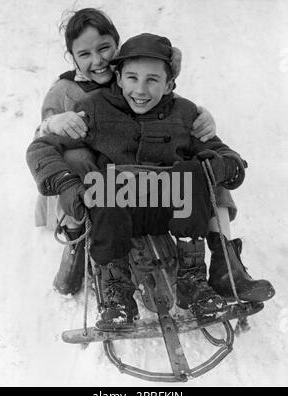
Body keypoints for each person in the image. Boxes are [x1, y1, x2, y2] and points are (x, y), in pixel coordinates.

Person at [27, 33, 275, 329]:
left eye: (153, 81)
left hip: (167, 210)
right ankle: (116, 293)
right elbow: (41, 148)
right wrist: (67, 184)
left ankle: (192, 281)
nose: (141, 90)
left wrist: (222, 167)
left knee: (193, 171)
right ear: (118, 79)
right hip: (117, 210)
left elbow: (225, 153)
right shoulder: (93, 108)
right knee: (102, 182)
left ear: (170, 84)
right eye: (132, 78)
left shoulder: (183, 113)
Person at [34, 9, 239, 297]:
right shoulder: (66, 91)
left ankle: (225, 257)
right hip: (91, 184)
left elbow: (165, 104)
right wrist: (50, 123)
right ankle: (78, 238)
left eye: (104, 48)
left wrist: (199, 120)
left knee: (201, 167)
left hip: (139, 179)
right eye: (85, 54)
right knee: (78, 158)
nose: (98, 60)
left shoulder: (136, 72)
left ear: (117, 45)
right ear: (72, 57)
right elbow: (42, 146)